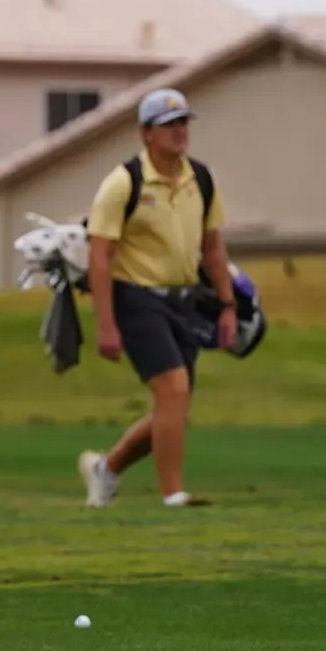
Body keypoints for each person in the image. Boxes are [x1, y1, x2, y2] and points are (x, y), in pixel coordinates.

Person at [77, 87, 238, 509]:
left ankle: (105, 469)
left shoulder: (201, 179)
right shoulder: (123, 182)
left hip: (183, 301)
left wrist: (227, 305)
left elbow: (214, 248)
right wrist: (106, 324)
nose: (179, 131)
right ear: (146, 133)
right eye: (169, 125)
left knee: (174, 407)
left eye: (183, 122)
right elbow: (100, 256)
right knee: (173, 390)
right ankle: (173, 494)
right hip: (135, 298)